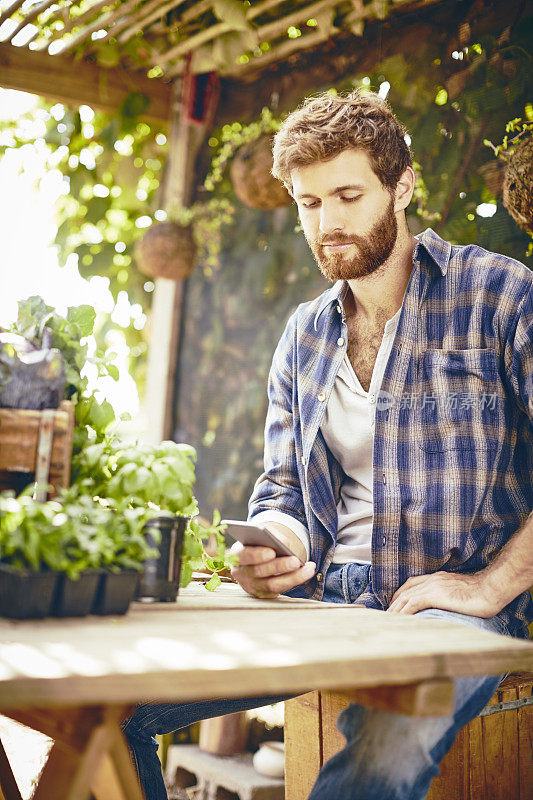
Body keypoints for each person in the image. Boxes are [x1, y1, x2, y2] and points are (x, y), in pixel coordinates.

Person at [123, 90, 533, 800]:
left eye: (347, 194)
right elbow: (283, 487)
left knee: (381, 750)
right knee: (114, 708)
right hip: (323, 601)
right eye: (309, 204)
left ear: (401, 186)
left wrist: (488, 586)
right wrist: (274, 545)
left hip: (445, 607)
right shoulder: (303, 335)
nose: (328, 223)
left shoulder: (499, 295)